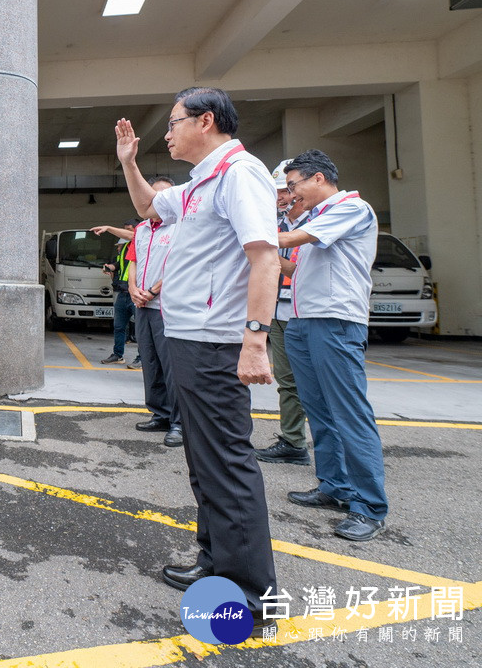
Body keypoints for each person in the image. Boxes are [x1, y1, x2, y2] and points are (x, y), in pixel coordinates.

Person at [114, 87, 278, 620]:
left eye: (174, 122)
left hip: (216, 340)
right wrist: (129, 162)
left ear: (206, 121)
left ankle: (250, 596)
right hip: (185, 335)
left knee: (227, 463)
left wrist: (255, 338)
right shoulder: (195, 186)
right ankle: (214, 562)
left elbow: (266, 257)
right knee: (202, 461)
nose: (166, 132)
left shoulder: (240, 173)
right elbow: (145, 206)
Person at [278, 150, 388, 542]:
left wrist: (253, 231)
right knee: (320, 411)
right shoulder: (318, 219)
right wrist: (272, 258)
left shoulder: (350, 208)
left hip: (336, 322)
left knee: (349, 413)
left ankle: (369, 506)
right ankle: (334, 486)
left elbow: (291, 237)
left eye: (293, 186)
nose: (291, 195)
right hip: (304, 320)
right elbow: (297, 265)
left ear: (319, 178)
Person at [254, 159, 312, 466]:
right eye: (275, 191)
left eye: (284, 190)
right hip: (278, 310)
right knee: (288, 382)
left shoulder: (317, 223)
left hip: (308, 313)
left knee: (317, 384)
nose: (279, 198)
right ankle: (293, 441)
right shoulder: (278, 226)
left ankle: (337, 455)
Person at [126, 177, 181, 446]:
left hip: (166, 306)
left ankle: (179, 423)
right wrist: (133, 288)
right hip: (143, 305)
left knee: (172, 365)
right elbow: (133, 262)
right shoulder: (142, 229)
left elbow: (179, 265)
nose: (160, 201)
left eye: (165, 196)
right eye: (155, 195)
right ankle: (160, 413)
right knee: (150, 362)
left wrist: (154, 290)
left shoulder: (180, 227)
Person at [94, 219, 139, 365]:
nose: (125, 233)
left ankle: (143, 358)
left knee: (140, 329)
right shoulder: (125, 247)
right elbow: (118, 264)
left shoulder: (142, 244)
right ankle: (118, 355)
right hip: (123, 293)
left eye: (129, 230)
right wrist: (110, 268)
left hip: (136, 293)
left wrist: (107, 226)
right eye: (124, 229)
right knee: (119, 326)